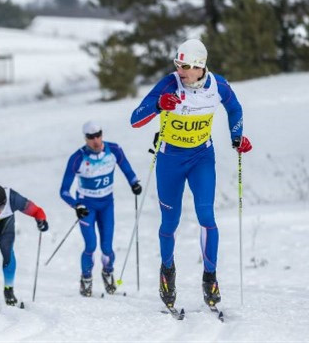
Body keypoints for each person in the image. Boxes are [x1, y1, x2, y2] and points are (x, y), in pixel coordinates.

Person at [129, 38, 252, 310]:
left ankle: (210, 278)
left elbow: (235, 108)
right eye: (177, 64)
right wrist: (159, 104)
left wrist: (236, 137)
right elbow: (135, 119)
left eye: (185, 65)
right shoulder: (169, 84)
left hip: (201, 158)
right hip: (170, 159)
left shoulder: (217, 85)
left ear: (200, 66)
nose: (180, 70)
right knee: (169, 222)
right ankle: (167, 272)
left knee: (207, 216)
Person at [59, 121, 142, 297]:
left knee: (107, 247)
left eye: (98, 136)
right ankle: (86, 278)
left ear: (102, 134)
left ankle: (108, 272)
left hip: (106, 205)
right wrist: (76, 205)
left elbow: (127, 169)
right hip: (87, 207)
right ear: (85, 139)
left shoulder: (114, 150)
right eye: (91, 138)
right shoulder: (77, 158)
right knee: (90, 245)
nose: (96, 141)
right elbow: (64, 191)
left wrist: (134, 183)